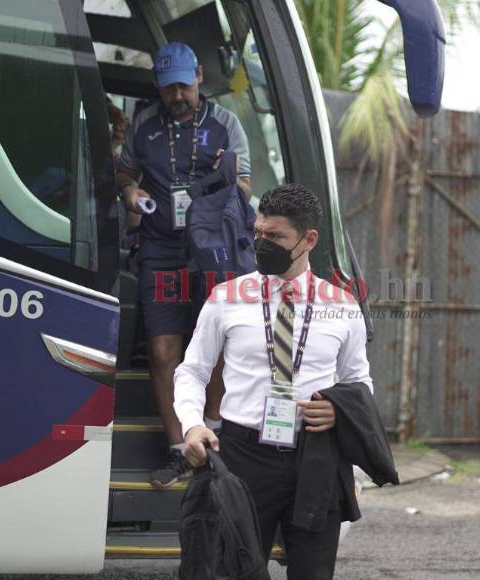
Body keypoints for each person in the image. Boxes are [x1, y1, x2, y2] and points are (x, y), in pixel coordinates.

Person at [174, 184, 374, 579]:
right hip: (242, 456)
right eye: (259, 233)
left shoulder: (343, 306)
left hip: (316, 457)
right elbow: (192, 371)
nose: (262, 244)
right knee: (232, 570)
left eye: (276, 237)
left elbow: (359, 382)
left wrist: (340, 411)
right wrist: (193, 425)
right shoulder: (226, 298)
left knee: (313, 573)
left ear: (308, 240)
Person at [115, 42, 252, 488]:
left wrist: (224, 174)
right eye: (168, 88)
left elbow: (245, 188)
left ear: (198, 78)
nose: (177, 96)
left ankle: (211, 438)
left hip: (212, 250)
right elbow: (124, 173)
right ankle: (178, 451)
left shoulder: (225, 124)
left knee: (218, 347)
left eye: (183, 86)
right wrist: (130, 192)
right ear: (158, 86)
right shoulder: (144, 125)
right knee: (162, 351)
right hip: (161, 250)